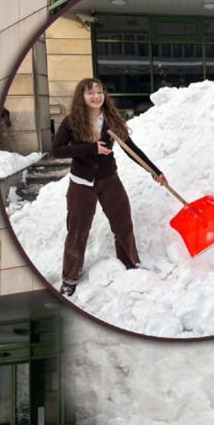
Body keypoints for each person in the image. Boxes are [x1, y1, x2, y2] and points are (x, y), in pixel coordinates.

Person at [51, 78, 167, 297]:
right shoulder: (72, 122)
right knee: (77, 232)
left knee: (123, 223)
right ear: (81, 97)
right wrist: (90, 148)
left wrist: (154, 171)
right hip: (81, 184)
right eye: (90, 93)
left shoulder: (111, 120)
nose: (96, 96)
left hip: (109, 180)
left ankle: (130, 264)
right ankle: (70, 277)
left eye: (99, 92)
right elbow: (57, 151)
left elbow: (131, 149)